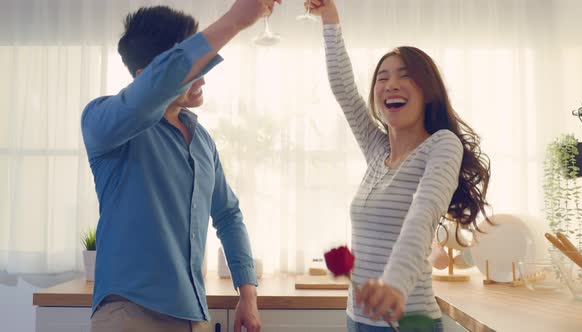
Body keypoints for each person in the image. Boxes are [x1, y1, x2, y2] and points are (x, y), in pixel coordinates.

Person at [80, 1, 281, 331]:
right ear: (147, 77)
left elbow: (228, 215)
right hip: (129, 313)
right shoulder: (103, 122)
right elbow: (149, 93)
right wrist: (234, 21)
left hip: (193, 315)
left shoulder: (201, 140)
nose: (203, 71)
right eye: (191, 64)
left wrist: (248, 294)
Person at [307, 0, 491, 331]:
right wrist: (329, 17)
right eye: (382, 77)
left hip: (407, 319)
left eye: (404, 76)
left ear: (428, 92)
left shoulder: (441, 145)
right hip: (357, 318)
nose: (391, 84)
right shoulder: (377, 151)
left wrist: (393, 285)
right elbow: (344, 90)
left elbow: (421, 216)